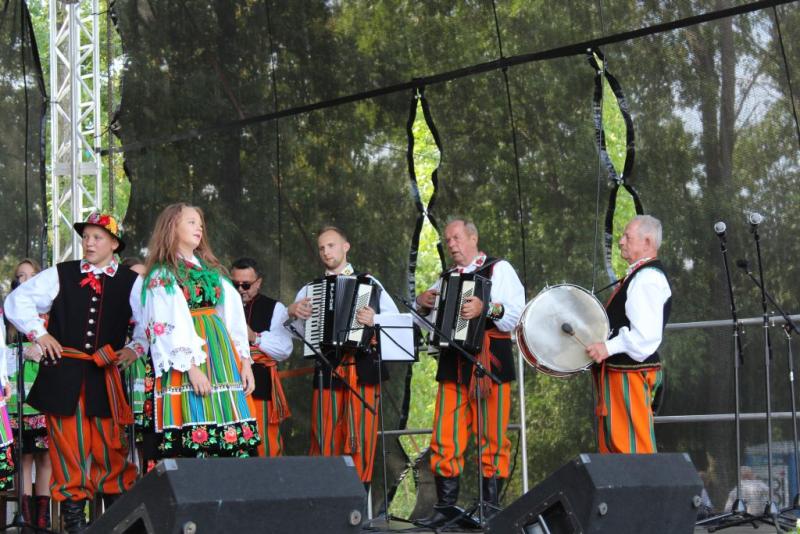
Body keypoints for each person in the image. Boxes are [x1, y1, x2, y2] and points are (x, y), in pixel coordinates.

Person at [4, 212, 143, 534]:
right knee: (67, 445)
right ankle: (75, 523)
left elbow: (151, 320)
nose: (89, 243)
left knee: (110, 444)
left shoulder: (131, 281)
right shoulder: (61, 274)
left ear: (114, 244)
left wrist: (136, 347)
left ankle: (116, 520)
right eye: (86, 237)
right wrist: (40, 334)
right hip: (64, 374)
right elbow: (17, 301)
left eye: (97, 237)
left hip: (105, 374)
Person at [414, 217, 525, 527]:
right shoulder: (445, 278)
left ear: (473, 238)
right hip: (453, 364)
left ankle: (489, 508)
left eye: (457, 238)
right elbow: (427, 324)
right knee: (444, 435)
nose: (451, 244)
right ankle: (446, 507)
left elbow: (517, 314)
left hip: (491, 363)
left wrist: (485, 307)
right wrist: (421, 305)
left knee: (493, 437)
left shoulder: (499, 269)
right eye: (448, 240)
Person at [139, 203, 259, 458]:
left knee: (228, 427)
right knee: (196, 421)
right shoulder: (163, 274)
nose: (199, 228)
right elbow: (163, 325)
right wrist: (191, 367)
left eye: (200, 224)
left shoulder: (210, 271)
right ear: (172, 227)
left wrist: (245, 360)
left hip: (220, 355)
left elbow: (232, 315)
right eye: (191, 222)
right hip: (187, 359)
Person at [287, 226, 398, 487]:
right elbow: (297, 333)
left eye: (331, 245)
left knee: (362, 436)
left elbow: (396, 322)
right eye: (322, 248)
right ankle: (327, 495)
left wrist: (375, 319)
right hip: (329, 369)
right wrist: (292, 312)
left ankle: (359, 499)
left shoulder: (370, 282)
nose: (326, 252)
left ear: (345, 247)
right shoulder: (310, 289)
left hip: (363, 370)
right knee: (325, 435)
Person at [585, 214, 672, 454]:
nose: (621, 241)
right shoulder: (640, 275)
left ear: (647, 242)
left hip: (630, 374)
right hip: (621, 373)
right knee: (618, 448)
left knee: (633, 449)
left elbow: (645, 337)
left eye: (627, 236)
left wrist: (607, 347)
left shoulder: (647, 278)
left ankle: (643, 479)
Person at [4, 259, 53, 528]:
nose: (25, 280)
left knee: (45, 455)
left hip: (44, 393)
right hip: (18, 397)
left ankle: (42, 519)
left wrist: (43, 348)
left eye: (31, 275)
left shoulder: (50, 313)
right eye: (20, 276)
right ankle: (24, 517)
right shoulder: (9, 316)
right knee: (23, 455)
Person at [230, 257, 293, 457]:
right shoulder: (222, 305)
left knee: (265, 446)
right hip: (228, 385)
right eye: (235, 284)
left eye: (246, 285)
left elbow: (284, 349)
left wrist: (254, 337)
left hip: (260, 385)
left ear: (258, 283)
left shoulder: (275, 308)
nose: (240, 289)